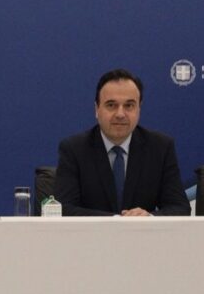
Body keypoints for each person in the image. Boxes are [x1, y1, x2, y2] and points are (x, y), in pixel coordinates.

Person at [54, 68, 190, 217]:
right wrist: (116, 221)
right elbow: (63, 209)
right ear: (97, 109)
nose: (120, 114)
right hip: (93, 233)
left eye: (129, 105)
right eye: (111, 105)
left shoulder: (160, 147)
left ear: (139, 109)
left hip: (144, 232)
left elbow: (180, 208)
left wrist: (149, 218)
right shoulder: (74, 149)